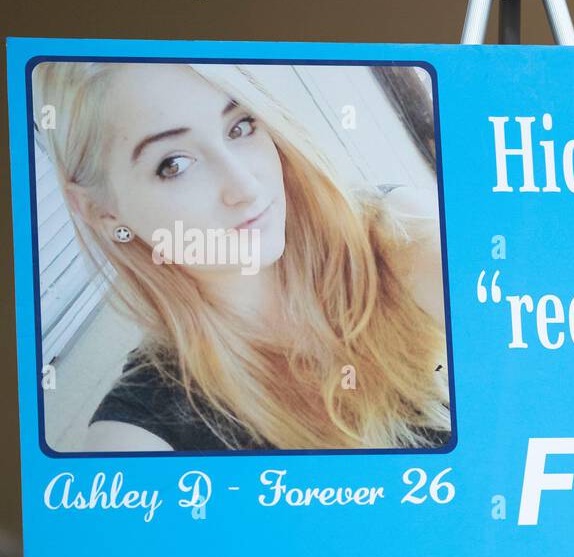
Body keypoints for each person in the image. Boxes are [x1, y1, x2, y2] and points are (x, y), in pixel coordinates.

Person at [34, 62, 451, 452]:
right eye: (175, 164)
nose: (245, 187)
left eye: (240, 126)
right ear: (102, 212)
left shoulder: (393, 236)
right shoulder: (143, 430)